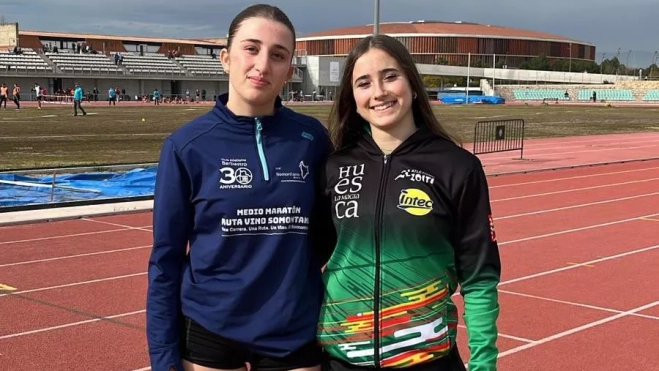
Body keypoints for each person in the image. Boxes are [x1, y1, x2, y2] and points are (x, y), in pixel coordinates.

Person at [146, 4, 334, 371]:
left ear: (289, 71)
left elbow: (330, 232)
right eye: (251, 48)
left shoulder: (311, 139)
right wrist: (164, 360)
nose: (263, 65)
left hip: (294, 328)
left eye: (277, 55)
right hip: (210, 329)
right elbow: (165, 261)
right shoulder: (187, 146)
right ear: (225, 58)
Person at [318, 35, 501, 371]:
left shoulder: (457, 167)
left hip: (428, 361)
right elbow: (307, 263)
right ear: (352, 97)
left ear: (412, 85)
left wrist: (484, 363)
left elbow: (479, 278)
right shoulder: (334, 166)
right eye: (364, 83)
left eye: (390, 76)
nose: (379, 92)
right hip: (341, 362)